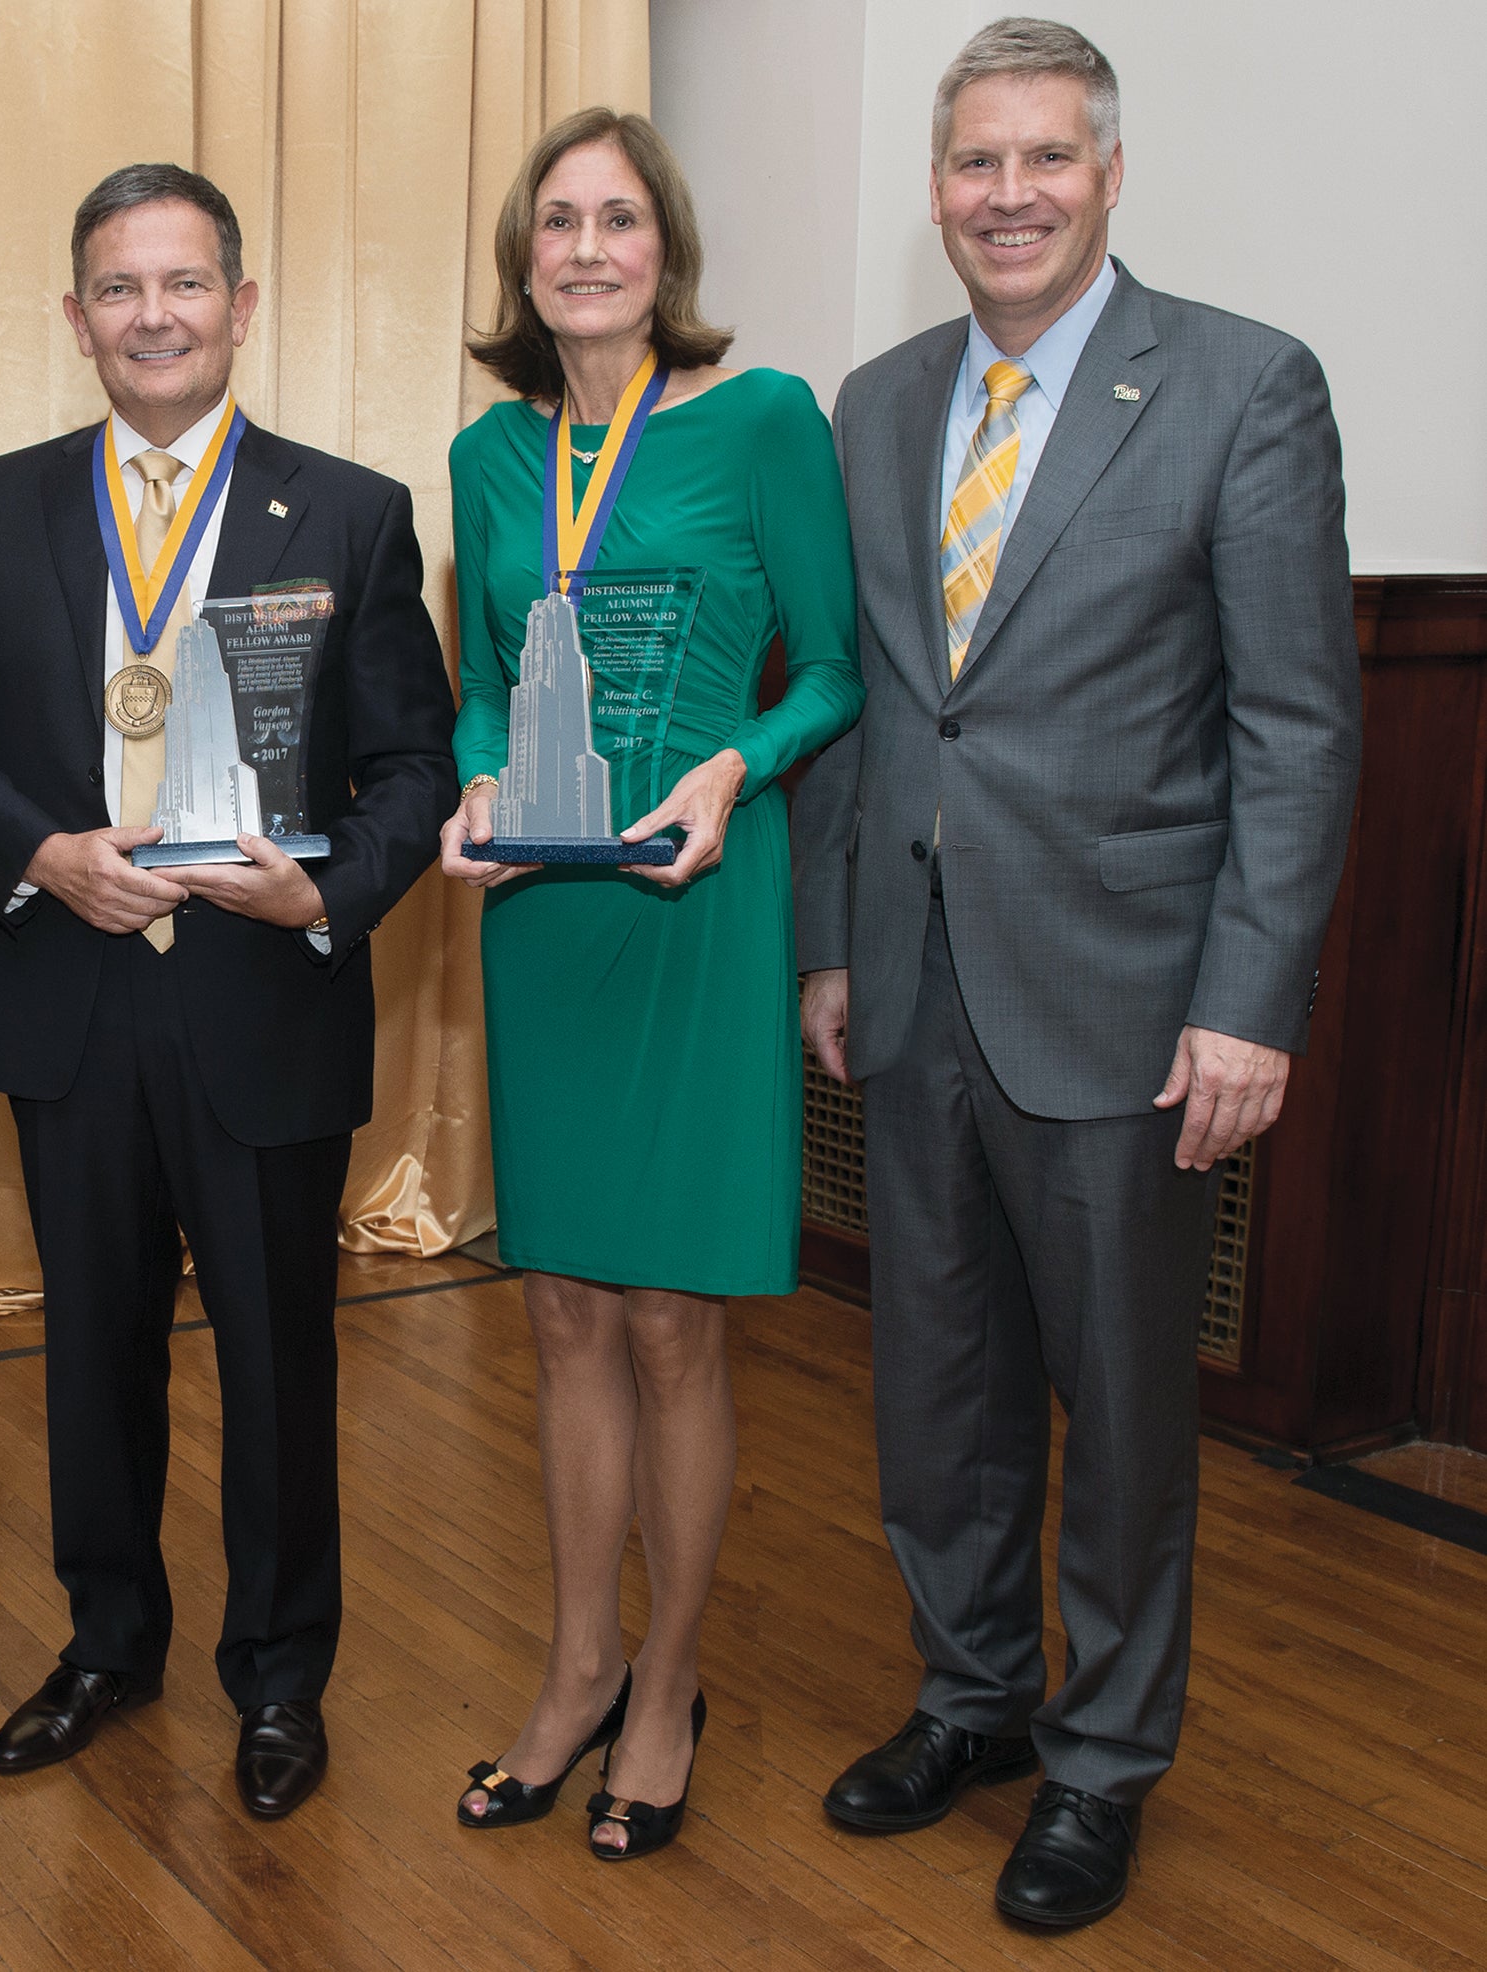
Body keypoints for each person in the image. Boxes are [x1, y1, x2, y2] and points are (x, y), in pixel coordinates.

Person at [792, 18, 1361, 1929]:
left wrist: (1252, 1000)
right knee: (931, 1388)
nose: (1007, 194)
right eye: (973, 164)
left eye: (1045, 158)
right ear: (935, 189)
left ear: (1110, 172)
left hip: (1129, 998)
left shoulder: (1238, 385)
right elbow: (870, 708)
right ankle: (974, 1700)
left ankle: (1104, 1762)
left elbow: (1294, 728)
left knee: (1117, 1411)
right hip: (912, 974)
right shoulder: (872, 404)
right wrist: (829, 945)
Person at [0, 163, 454, 1820]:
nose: (153, 317)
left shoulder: (346, 511)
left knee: (278, 1370)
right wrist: (41, 855)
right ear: (77, 319)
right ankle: (106, 1644)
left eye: (184, 284)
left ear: (240, 306)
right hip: (69, 995)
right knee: (93, 1357)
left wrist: (328, 889)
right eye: (119, 290)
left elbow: (414, 767)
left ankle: (280, 1681)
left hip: (259, 998)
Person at [440, 110, 864, 1862]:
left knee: (675, 1323)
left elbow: (833, 669)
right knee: (558, 1316)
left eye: (619, 219)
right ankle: (574, 1667)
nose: (588, 248)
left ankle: (669, 1686)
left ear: (663, 250)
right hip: (543, 911)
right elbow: (478, 677)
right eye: (558, 222)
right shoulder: (483, 454)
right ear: (523, 259)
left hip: (695, 895)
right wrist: (476, 779)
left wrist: (731, 771)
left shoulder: (764, 421)